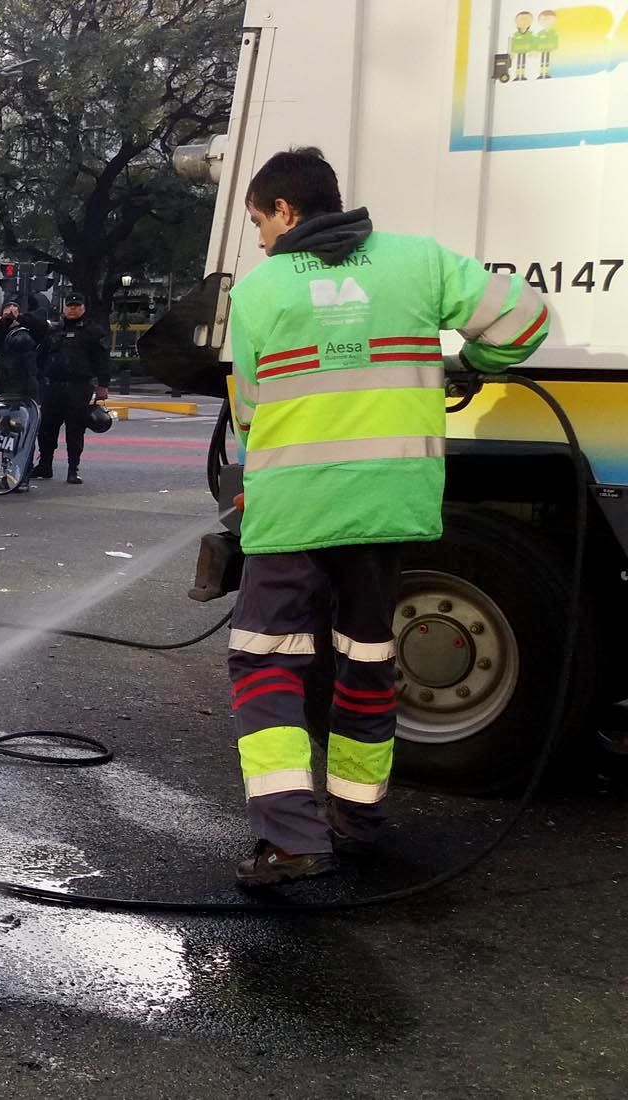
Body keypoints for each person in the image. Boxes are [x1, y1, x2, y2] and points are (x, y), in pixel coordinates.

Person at [221, 147, 550, 886]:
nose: (261, 240)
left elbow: (249, 413)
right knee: (366, 660)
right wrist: (472, 365)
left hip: (294, 512)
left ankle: (290, 838)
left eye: (259, 221)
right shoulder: (419, 262)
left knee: (266, 663)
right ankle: (355, 822)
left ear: (286, 211)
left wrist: (252, 482)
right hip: (387, 506)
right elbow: (525, 321)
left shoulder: (261, 290)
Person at [32, 293, 112, 484]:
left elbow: (102, 361)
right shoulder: (54, 330)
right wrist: (40, 379)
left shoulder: (93, 331)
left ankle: (73, 469)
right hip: (53, 387)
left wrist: (103, 385)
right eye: (70, 306)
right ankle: (45, 465)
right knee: (46, 429)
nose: (73, 309)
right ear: (64, 308)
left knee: (75, 430)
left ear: (83, 308)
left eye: (77, 306)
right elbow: (41, 357)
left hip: (79, 388)